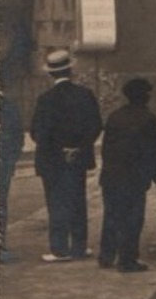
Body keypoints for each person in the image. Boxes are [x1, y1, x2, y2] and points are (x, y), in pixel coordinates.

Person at [29, 49, 102, 261]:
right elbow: (95, 125)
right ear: (71, 70)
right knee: (77, 200)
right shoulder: (85, 95)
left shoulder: (45, 100)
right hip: (77, 158)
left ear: (51, 74)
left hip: (52, 160)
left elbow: (37, 132)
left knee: (56, 202)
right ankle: (79, 247)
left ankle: (59, 249)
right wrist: (77, 147)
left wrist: (59, 149)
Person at [97, 78, 156, 273]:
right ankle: (127, 260)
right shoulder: (149, 119)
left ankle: (106, 256)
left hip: (111, 175)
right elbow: (154, 150)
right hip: (135, 177)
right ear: (145, 96)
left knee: (111, 215)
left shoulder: (115, 116)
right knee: (133, 218)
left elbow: (106, 148)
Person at [0, 79, 25, 263]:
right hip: (2, 163)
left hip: (1, 163)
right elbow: (17, 138)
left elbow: (17, 138)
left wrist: (10, 159)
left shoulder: (8, 107)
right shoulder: (8, 107)